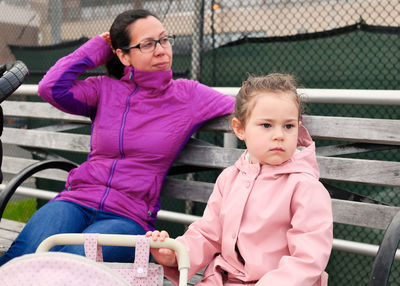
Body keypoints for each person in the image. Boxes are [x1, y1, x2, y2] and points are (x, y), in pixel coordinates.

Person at [0, 9, 234, 266]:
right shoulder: (104, 90)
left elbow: (248, 106)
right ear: (123, 55)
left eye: (164, 39)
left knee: (71, 264)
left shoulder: (189, 96)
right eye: (147, 44)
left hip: (127, 218)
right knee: (20, 259)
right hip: (74, 201)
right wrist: (98, 47)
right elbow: (50, 87)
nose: (160, 50)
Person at [147, 74, 333, 285]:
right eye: (266, 125)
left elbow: (308, 259)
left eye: (288, 126)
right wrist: (175, 255)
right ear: (240, 129)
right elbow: (208, 235)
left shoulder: (306, 187)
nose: (279, 135)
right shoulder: (229, 178)